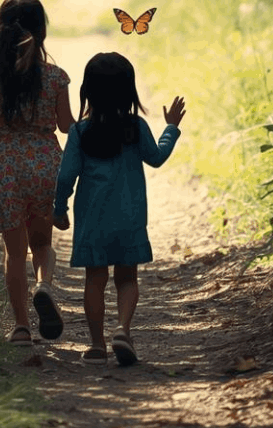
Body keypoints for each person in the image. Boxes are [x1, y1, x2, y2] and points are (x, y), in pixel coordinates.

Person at [52, 53, 186, 367]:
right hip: (130, 218)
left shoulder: (80, 132)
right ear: (129, 92)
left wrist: (59, 209)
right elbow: (156, 157)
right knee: (127, 278)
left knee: (94, 280)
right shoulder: (135, 127)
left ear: (88, 91)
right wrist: (171, 128)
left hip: (92, 222)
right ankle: (123, 329)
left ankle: (98, 345)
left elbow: (65, 176)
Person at [0, 0, 74, 347]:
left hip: (6, 167)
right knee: (42, 244)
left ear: (0, 31)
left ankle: (22, 328)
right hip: (46, 164)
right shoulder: (56, 77)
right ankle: (43, 285)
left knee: (14, 253)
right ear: (42, 30)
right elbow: (66, 126)